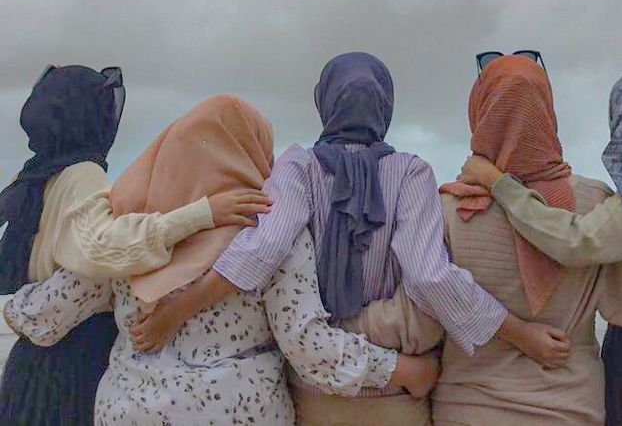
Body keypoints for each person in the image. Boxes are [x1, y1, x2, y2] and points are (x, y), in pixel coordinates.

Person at [131, 52, 570, 426]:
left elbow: (262, 249)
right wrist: (521, 334)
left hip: (318, 386)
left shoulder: (297, 165)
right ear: (386, 106)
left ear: (325, 102)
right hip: (400, 389)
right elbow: (429, 277)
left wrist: (178, 310)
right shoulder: (411, 172)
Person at [6, 93, 438, 426]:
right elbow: (307, 347)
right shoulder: (269, 229)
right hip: (239, 410)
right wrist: (403, 369)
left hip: (130, 409)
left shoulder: (134, 229)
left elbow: (48, 313)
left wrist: (16, 309)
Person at [420, 55, 622, 425]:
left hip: (469, 408)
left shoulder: (442, 210)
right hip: (573, 409)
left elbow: (423, 323)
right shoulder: (607, 201)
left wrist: (496, 183)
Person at [0, 65, 260, 426]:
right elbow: (102, 250)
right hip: (73, 364)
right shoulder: (82, 174)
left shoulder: (32, 175)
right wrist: (201, 214)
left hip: (29, 365)